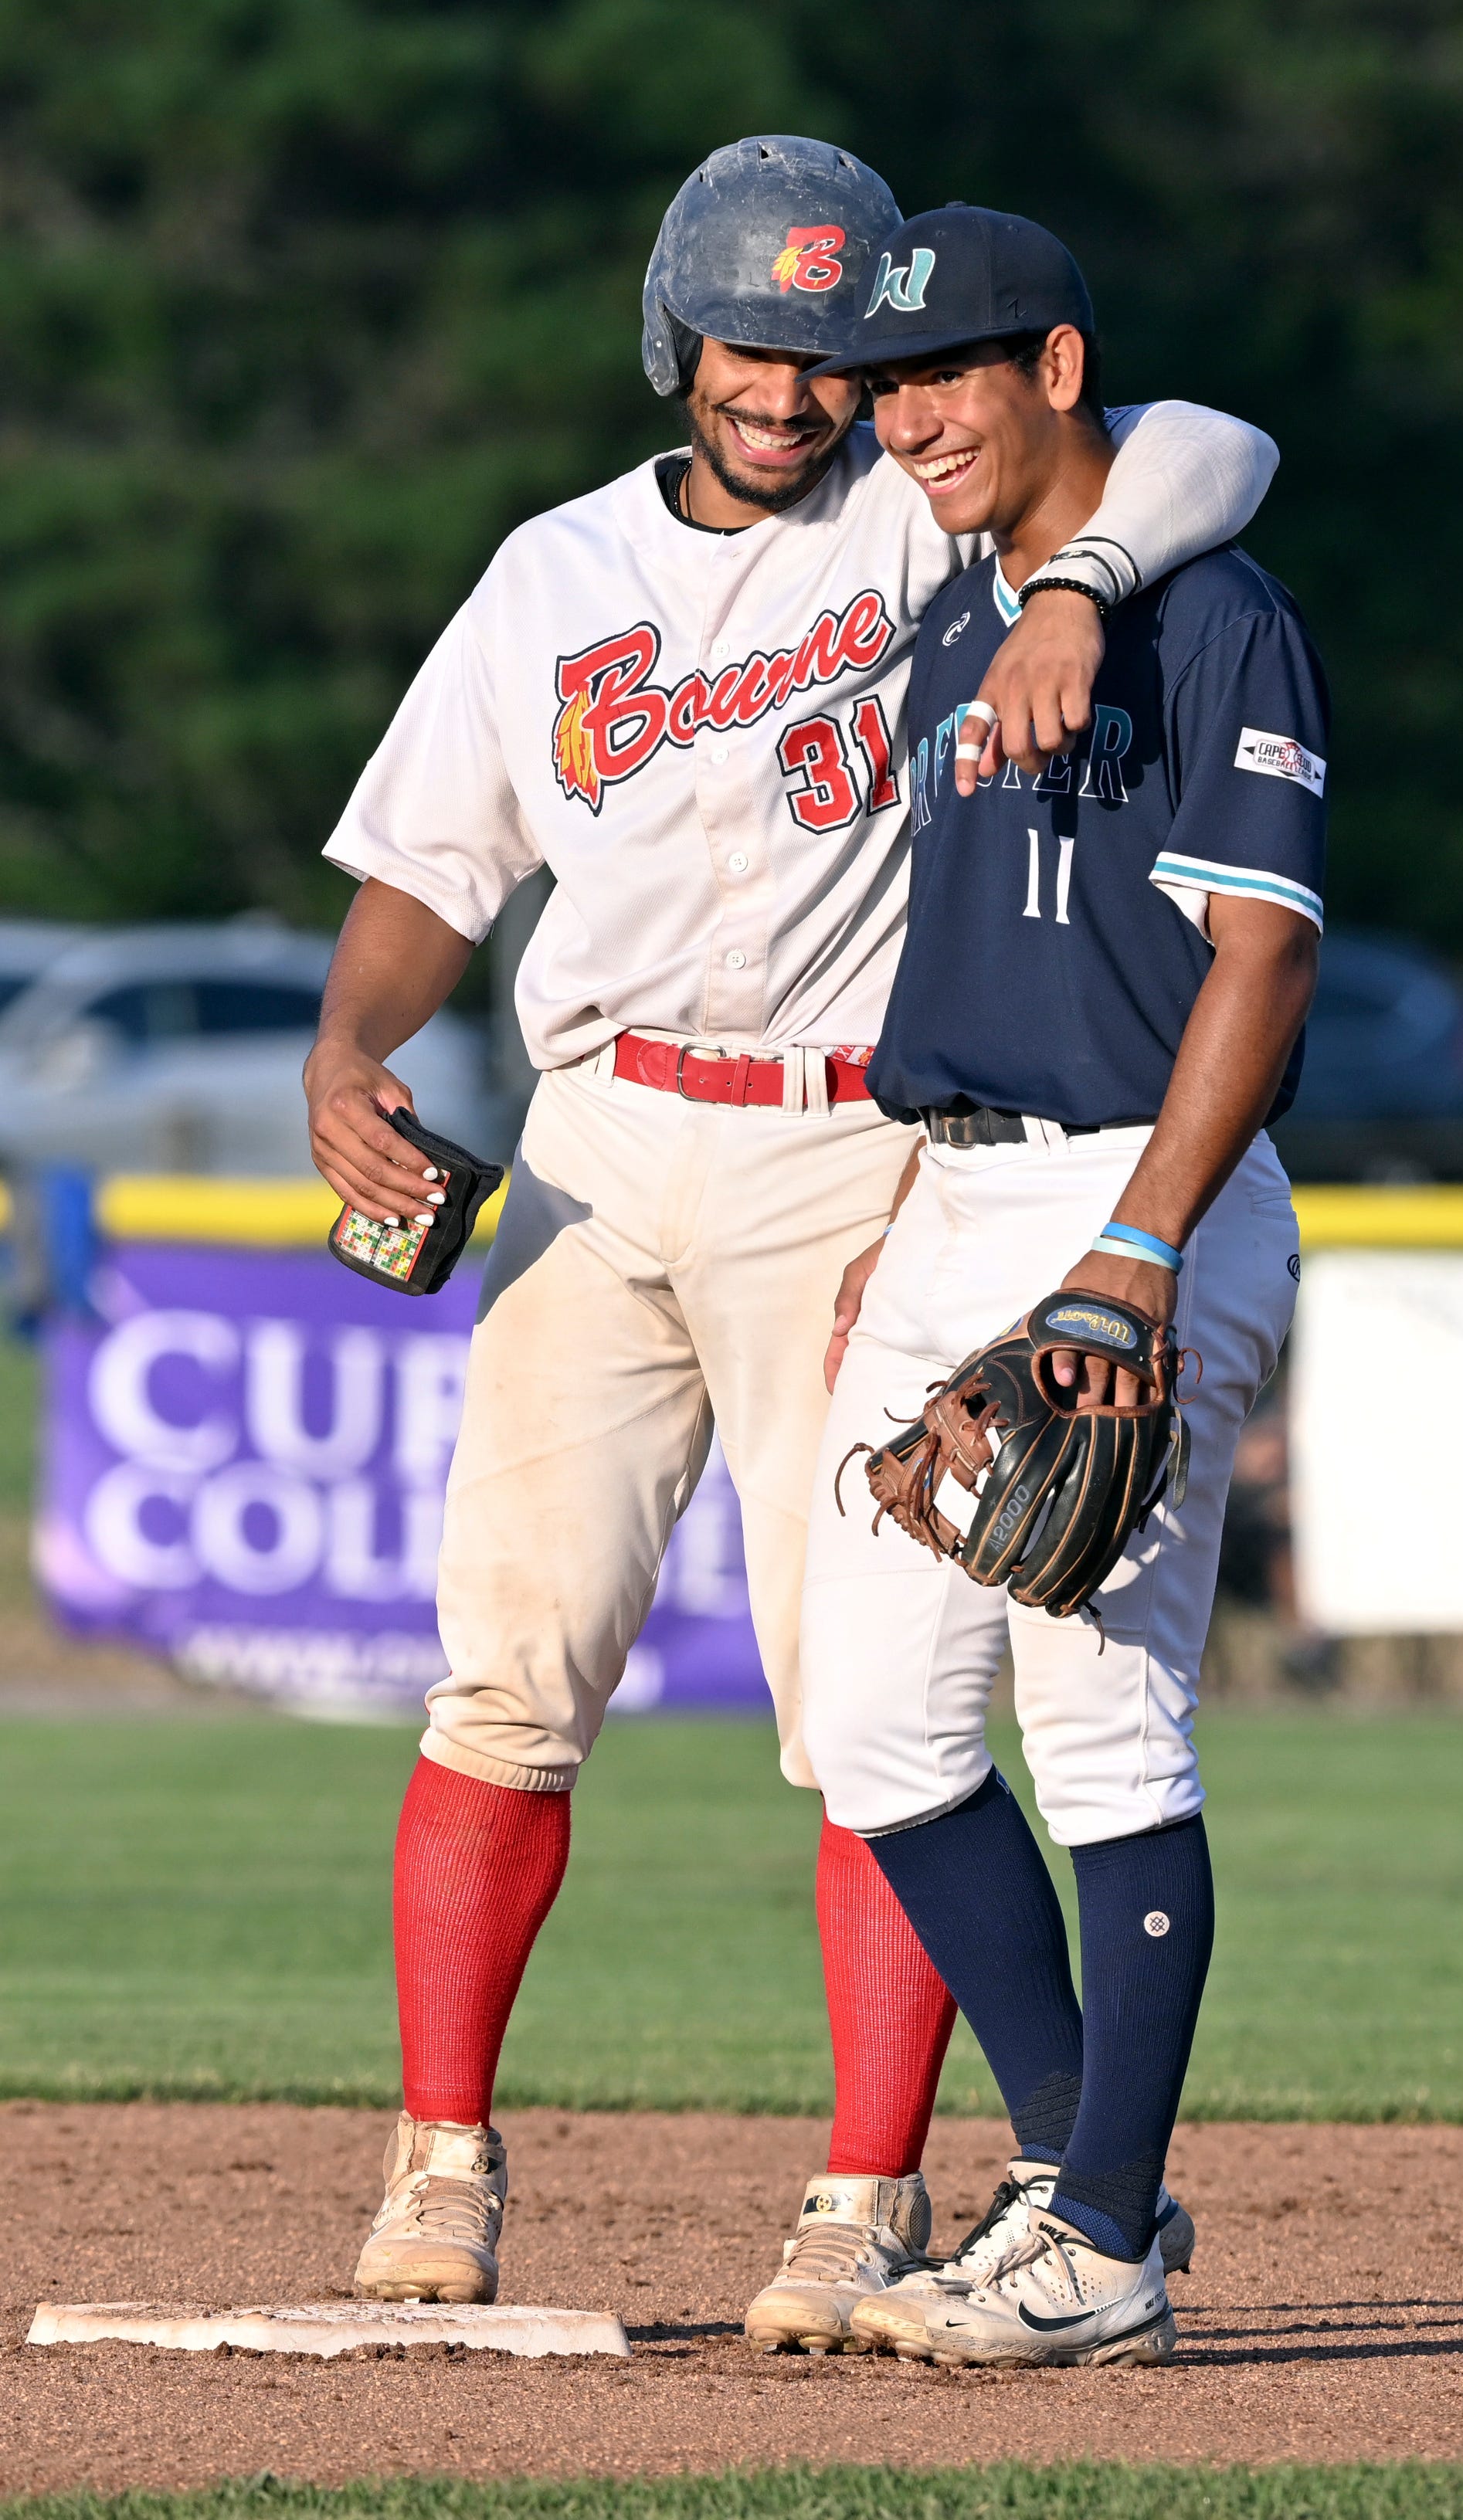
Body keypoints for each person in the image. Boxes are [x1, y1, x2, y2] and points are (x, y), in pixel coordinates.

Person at [303, 132, 1279, 2336]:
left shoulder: (925, 522)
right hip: (592, 1140)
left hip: (848, 1157)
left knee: (867, 1712)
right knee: (505, 1675)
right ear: (679, 337)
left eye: (832, 356)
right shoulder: (550, 572)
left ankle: (868, 2192)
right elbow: (425, 874)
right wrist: (347, 1054)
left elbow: (1213, 439)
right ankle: (440, 2156)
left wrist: (1071, 581)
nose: (795, 392)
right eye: (755, 342)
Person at [794, 202, 1326, 2368]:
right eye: (892, 380)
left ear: (1062, 367)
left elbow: (1263, 956)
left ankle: (1102, 2241)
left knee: (1103, 1718)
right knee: (875, 1734)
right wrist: (899, 1219)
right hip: (954, 1198)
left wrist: (1134, 1253)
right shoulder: (959, 621)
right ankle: (1068, 2186)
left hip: (1139, 1195)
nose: (910, 412)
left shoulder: (1210, 614)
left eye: (959, 368)